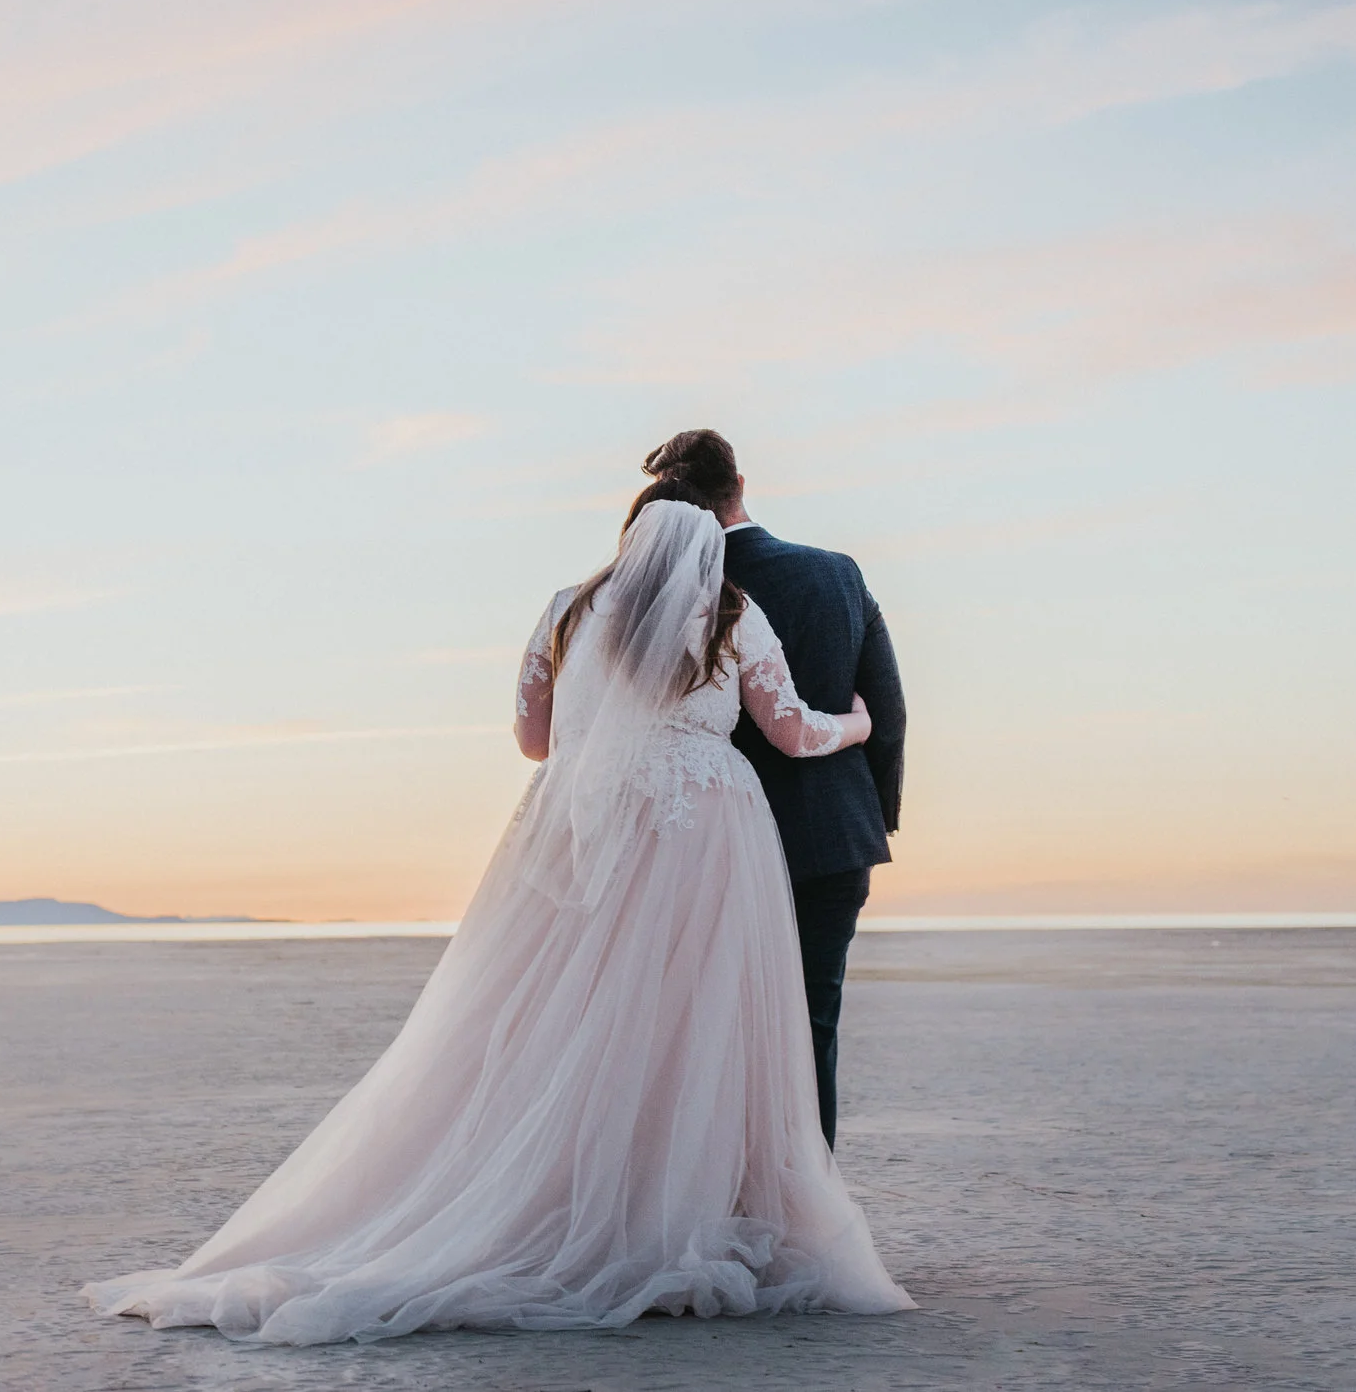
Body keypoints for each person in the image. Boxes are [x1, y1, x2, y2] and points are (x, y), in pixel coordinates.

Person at [84, 487, 911, 1344]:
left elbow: (534, 739)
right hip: (707, 831)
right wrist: (854, 724)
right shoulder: (732, 612)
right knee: (700, 1025)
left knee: (576, 1020)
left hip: (591, 828)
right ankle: (682, 1207)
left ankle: (578, 1199)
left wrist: (614, 738)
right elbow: (790, 731)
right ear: (708, 548)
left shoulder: (573, 608)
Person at [642, 429, 905, 1149]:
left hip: (697, 843)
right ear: (740, 483)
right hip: (829, 839)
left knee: (702, 1032)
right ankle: (808, 1198)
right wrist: (870, 819)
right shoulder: (836, 574)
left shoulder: (654, 592)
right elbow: (885, 707)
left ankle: (713, 1195)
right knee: (811, 1026)